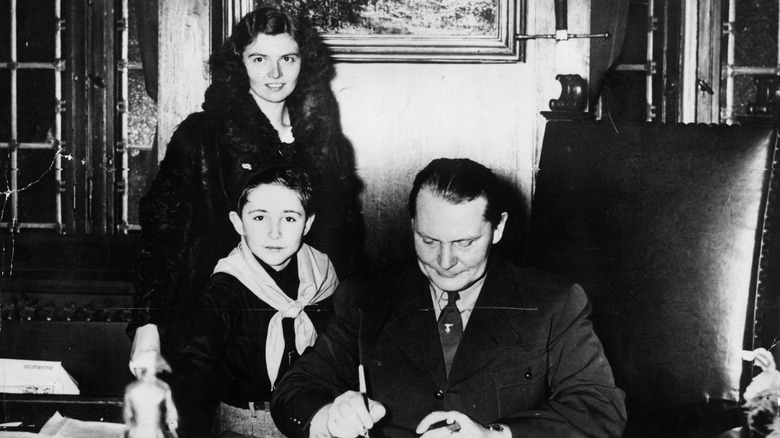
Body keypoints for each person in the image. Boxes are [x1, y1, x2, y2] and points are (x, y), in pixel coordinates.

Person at [271, 158, 627, 438]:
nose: (445, 262)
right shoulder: (367, 297)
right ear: (412, 225)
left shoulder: (555, 302)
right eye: (428, 240)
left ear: (498, 228)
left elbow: (599, 411)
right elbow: (293, 390)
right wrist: (328, 418)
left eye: (465, 243)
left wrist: (494, 436)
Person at [126, 6, 361, 374]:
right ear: (239, 63)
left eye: (287, 58)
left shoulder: (327, 143)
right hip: (221, 326)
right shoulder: (200, 137)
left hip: (309, 331)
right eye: (259, 58)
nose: (274, 73)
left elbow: (342, 248)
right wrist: (148, 328)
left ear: (305, 62)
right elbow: (163, 238)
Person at [170, 165, 338, 437]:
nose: (274, 233)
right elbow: (194, 369)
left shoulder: (322, 271)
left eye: (289, 219)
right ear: (239, 223)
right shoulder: (226, 287)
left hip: (313, 415)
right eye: (260, 218)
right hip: (249, 424)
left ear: (308, 223)